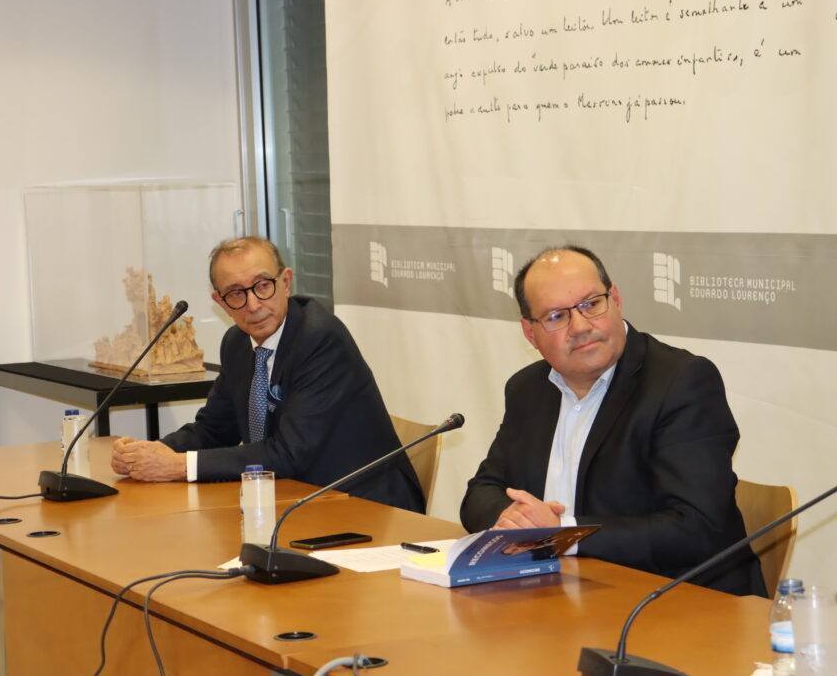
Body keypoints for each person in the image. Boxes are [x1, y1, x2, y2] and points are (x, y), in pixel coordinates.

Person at [460, 246, 766, 596]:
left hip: (680, 600)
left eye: (591, 304)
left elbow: (697, 527)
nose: (580, 326)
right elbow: (481, 493)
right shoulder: (527, 388)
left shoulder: (681, 382)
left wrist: (562, 533)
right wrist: (514, 520)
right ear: (530, 333)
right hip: (565, 593)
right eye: (557, 316)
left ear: (616, 299)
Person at [111, 236, 425, 513]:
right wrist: (149, 454)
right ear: (220, 302)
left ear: (286, 282)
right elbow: (214, 429)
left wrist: (179, 466)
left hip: (366, 503)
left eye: (263, 286)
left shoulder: (319, 339)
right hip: (293, 498)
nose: (253, 304)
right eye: (236, 293)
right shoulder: (236, 343)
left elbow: (288, 453)